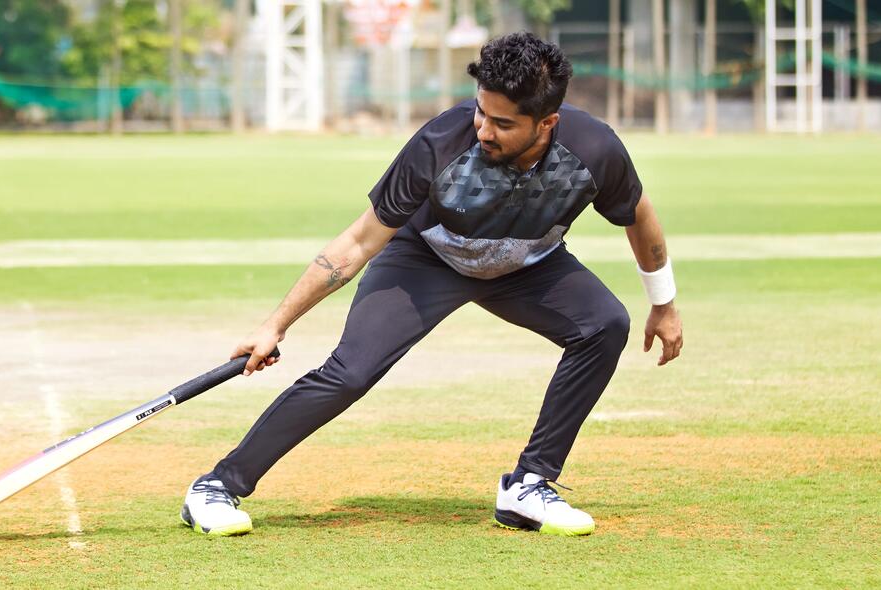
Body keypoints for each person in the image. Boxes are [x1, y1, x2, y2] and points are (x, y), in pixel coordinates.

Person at [179, 32, 684, 537]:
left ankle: (528, 486)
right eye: (481, 113)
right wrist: (276, 326)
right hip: (426, 259)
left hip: (528, 267)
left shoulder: (594, 149)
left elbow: (638, 215)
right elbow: (357, 242)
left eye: (503, 123)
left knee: (604, 325)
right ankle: (217, 486)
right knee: (350, 373)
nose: (484, 129)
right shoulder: (440, 143)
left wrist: (663, 304)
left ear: (546, 122)